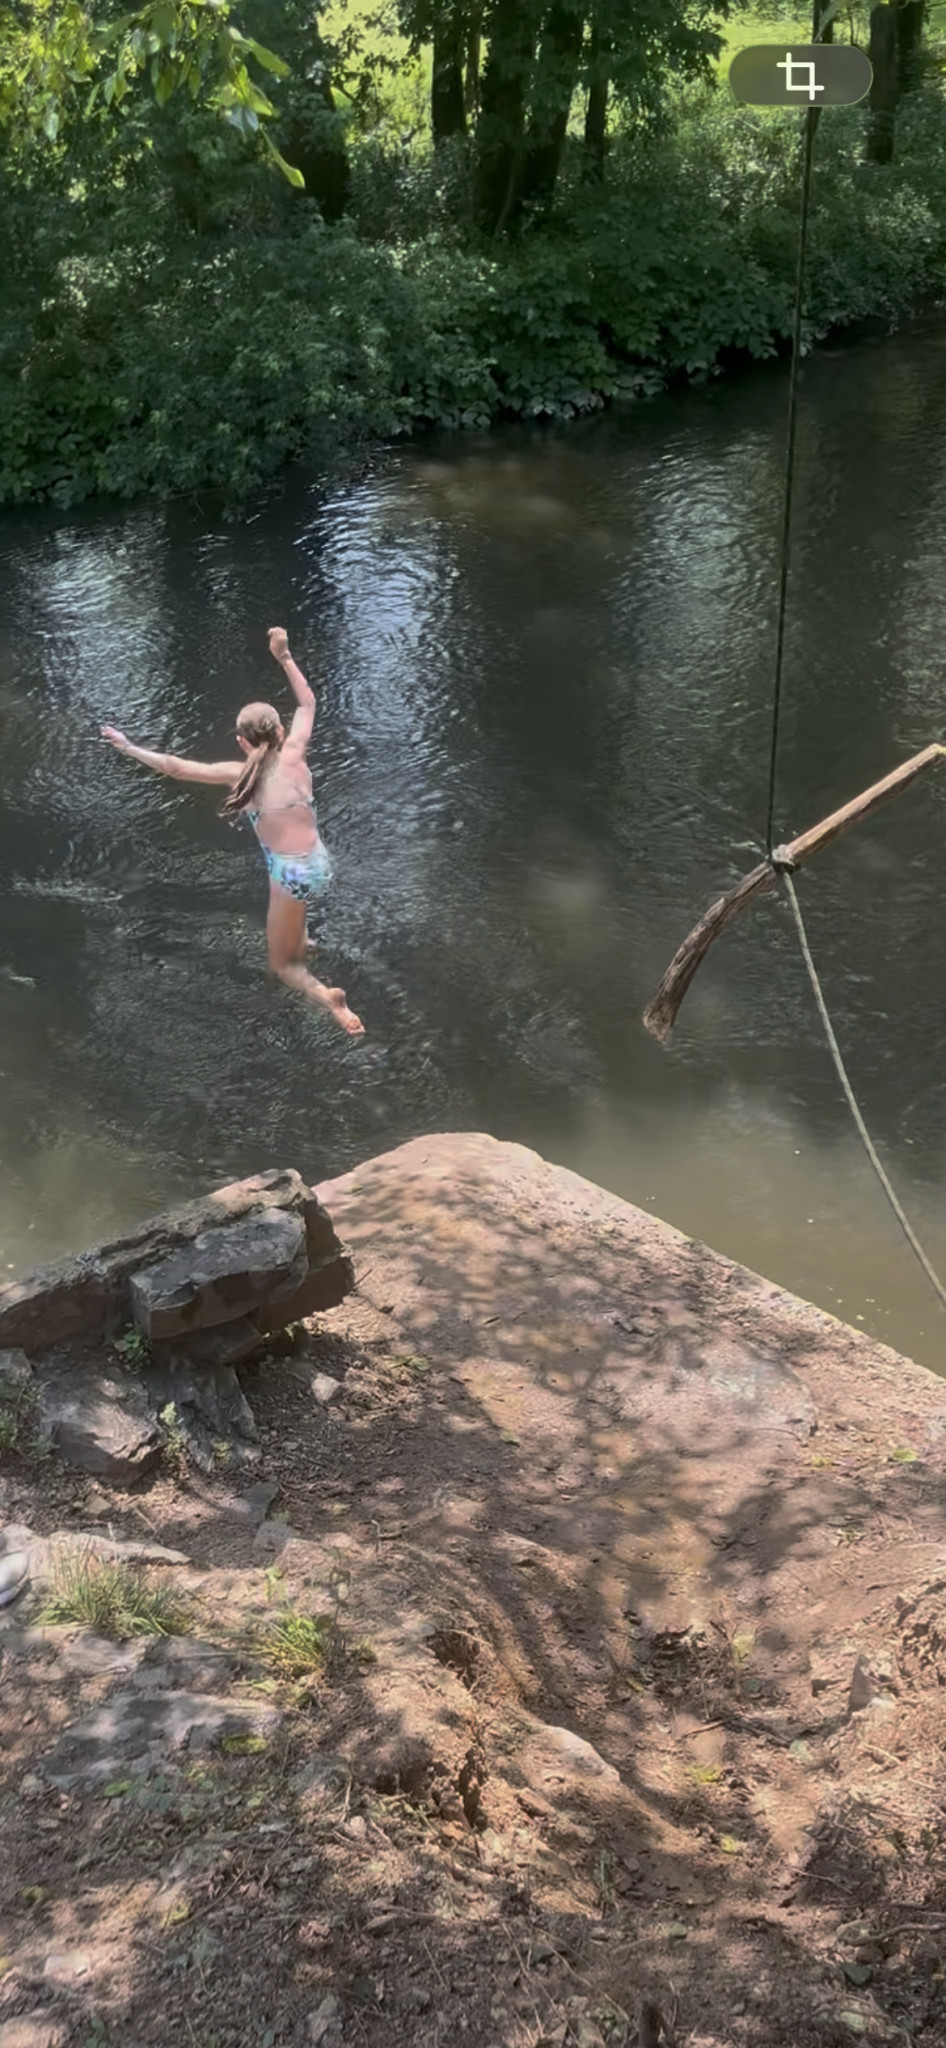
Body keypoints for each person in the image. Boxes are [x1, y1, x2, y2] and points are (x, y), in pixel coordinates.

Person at [101, 627, 364, 1036]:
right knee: (294, 896)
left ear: (242, 742)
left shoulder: (238, 775)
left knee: (283, 966)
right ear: (280, 732)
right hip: (320, 863)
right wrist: (284, 656)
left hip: (290, 873)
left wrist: (128, 746)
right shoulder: (296, 755)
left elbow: (175, 767)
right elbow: (308, 703)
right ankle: (304, 940)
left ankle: (328, 999)